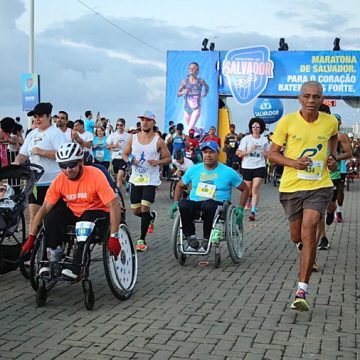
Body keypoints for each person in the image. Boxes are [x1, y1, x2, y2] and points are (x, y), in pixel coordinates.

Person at [268, 81, 338, 312]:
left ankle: (301, 290)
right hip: (291, 188)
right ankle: (304, 247)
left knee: (310, 228)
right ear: (300, 98)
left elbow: (333, 138)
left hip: (320, 185)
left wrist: (331, 156)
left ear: (322, 99)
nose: (311, 100)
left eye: (316, 97)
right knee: (296, 236)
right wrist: (293, 163)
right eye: (307, 96)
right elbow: (272, 154)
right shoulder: (287, 121)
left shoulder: (330, 121)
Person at [21, 142, 122, 279]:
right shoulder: (60, 180)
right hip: (75, 213)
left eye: (72, 164)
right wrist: (31, 237)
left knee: (86, 218)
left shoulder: (96, 175)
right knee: (51, 216)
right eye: (63, 166)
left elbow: (114, 205)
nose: (68, 169)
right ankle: (50, 259)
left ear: (81, 161)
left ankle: (76, 266)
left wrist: (114, 236)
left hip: (98, 213)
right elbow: (44, 208)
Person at [169, 140, 249, 251]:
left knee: (209, 204)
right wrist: (176, 202)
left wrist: (240, 207)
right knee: (183, 204)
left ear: (218, 153)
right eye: (205, 152)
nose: (208, 155)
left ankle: (207, 238)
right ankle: (190, 237)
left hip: (217, 205)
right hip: (196, 203)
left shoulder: (228, 172)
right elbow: (179, 185)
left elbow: (245, 189)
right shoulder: (194, 169)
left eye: (211, 152)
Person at [122, 111, 171, 252]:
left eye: (148, 120)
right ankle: (150, 217)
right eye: (143, 119)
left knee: (144, 207)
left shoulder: (159, 141)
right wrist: (130, 160)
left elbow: (168, 158)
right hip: (136, 179)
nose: (145, 122)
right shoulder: (133, 138)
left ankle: (141, 240)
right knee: (136, 210)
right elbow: (125, 154)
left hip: (151, 179)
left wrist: (158, 161)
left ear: (153, 123)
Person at [14, 103, 67, 228]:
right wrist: (16, 163)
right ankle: (33, 245)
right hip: (36, 182)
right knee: (34, 216)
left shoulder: (56, 133)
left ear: (49, 116)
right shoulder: (32, 134)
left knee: (50, 217)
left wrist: (42, 152)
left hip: (53, 182)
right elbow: (23, 154)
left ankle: (51, 244)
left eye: (40, 116)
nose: (37, 119)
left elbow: (63, 154)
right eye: (35, 117)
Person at [317, 114, 352, 250]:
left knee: (331, 205)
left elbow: (349, 153)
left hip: (334, 174)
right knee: (318, 209)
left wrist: (335, 157)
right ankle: (323, 237)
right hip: (318, 175)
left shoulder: (340, 136)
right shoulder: (317, 133)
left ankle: (333, 211)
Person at [236, 118, 269, 221]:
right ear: (251, 127)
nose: (255, 128)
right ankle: (249, 199)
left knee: (255, 189)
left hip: (260, 166)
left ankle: (253, 211)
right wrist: (249, 151)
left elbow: (269, 154)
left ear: (261, 128)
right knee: (248, 190)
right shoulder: (246, 139)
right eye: (253, 126)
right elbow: (238, 152)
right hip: (247, 167)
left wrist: (265, 153)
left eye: (257, 126)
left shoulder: (264, 140)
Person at [177, 62, 209, 129]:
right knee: (191, 128)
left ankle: (191, 137)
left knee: (190, 129)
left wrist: (205, 93)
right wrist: (183, 92)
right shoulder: (184, 81)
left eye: (193, 68)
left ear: (197, 70)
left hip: (196, 108)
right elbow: (178, 94)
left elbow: (207, 87)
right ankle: (199, 131)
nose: (191, 69)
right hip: (186, 108)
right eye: (190, 68)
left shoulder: (201, 81)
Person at [106, 118, 131, 192]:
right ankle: (127, 185)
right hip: (115, 158)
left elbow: (132, 146)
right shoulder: (113, 135)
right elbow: (107, 146)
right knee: (118, 177)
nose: (119, 127)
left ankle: (116, 194)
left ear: (124, 126)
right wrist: (113, 146)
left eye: (121, 125)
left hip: (123, 158)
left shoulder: (128, 136)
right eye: (118, 125)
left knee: (119, 178)